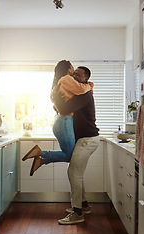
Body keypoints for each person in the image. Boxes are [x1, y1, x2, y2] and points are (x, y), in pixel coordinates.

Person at [21, 61, 93, 176]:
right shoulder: (66, 79)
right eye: (72, 68)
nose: (74, 72)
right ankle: (39, 153)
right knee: (70, 156)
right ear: (68, 69)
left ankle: (42, 160)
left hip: (61, 121)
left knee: (69, 155)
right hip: (65, 121)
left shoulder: (58, 83)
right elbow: (81, 89)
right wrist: (89, 85)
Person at [53, 66, 100, 225]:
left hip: (87, 140)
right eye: (73, 73)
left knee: (73, 172)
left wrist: (55, 96)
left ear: (85, 79)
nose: (74, 76)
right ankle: (84, 205)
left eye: (78, 75)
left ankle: (77, 212)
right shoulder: (80, 92)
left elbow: (64, 108)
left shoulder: (84, 94)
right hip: (86, 139)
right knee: (77, 172)